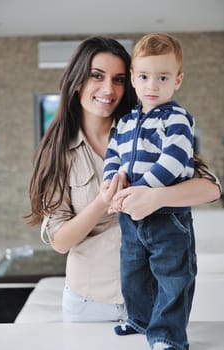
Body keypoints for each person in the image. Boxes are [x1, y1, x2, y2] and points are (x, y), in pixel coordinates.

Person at [27, 35, 221, 325]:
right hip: (89, 303)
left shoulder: (154, 127)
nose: (108, 89)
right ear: (77, 81)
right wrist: (103, 202)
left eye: (118, 79)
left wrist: (155, 197)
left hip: (152, 301)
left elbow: (211, 187)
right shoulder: (58, 153)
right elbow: (60, 240)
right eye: (97, 76)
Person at [102, 32, 214, 350]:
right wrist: (113, 182)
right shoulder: (124, 123)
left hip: (168, 217)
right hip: (131, 217)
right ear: (134, 80)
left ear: (177, 81)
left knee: (173, 277)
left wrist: (141, 190)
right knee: (132, 272)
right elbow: (114, 156)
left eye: (162, 77)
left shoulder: (178, 119)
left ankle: (167, 334)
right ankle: (139, 318)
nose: (153, 85)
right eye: (145, 77)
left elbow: (175, 159)